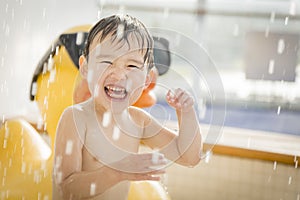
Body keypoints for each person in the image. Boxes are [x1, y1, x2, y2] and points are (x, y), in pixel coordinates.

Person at [53, 14, 202, 200]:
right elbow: (66, 190)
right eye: (107, 62)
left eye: (131, 65)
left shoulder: (138, 121)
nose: (119, 75)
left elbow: (189, 157)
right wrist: (115, 172)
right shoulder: (76, 118)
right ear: (85, 68)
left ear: (147, 79)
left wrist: (186, 113)